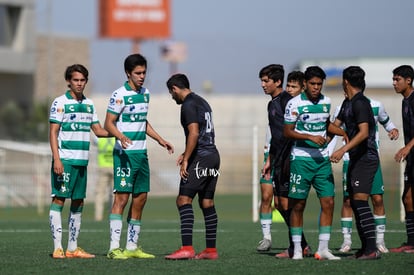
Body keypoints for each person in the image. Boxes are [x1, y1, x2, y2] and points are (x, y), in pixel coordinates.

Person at [104, 53, 174, 260]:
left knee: (141, 198)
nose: (142, 76)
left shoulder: (145, 94)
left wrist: (159, 139)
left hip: (141, 154)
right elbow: (109, 123)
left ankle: (132, 247)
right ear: (128, 73)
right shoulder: (118, 95)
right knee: (122, 198)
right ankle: (114, 248)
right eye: (138, 73)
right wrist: (120, 136)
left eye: (144, 72)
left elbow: (143, 122)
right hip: (124, 154)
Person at [48, 64, 112, 259]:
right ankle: (58, 247)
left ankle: (73, 247)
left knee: (78, 202)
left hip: (82, 163)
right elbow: (53, 132)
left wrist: (120, 132)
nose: (79, 83)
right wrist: (57, 159)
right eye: (75, 80)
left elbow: (99, 131)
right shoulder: (60, 103)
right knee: (59, 199)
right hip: (65, 161)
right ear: (69, 81)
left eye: (82, 80)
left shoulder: (89, 104)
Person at [284, 65, 346, 260]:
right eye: (312, 83)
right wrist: (309, 137)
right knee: (298, 205)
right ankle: (296, 249)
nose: (316, 87)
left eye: (319, 84)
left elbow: (326, 125)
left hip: (321, 161)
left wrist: (343, 133)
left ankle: (323, 249)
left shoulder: (326, 102)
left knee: (328, 201)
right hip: (301, 160)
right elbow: (287, 131)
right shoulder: (294, 104)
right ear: (305, 84)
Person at [330, 99, 398, 254]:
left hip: (371, 159)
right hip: (350, 160)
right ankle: (347, 241)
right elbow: (334, 129)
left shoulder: (376, 105)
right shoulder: (342, 107)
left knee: (377, 199)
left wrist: (392, 129)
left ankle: (380, 241)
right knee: (348, 201)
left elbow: (386, 122)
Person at [164, 73, 220, 260]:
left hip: (201, 157)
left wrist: (187, 158)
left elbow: (194, 133)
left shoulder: (187, 104)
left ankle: (187, 248)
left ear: (175, 89)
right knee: (206, 202)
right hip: (212, 156)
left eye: (171, 94)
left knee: (183, 200)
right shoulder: (202, 101)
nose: (172, 98)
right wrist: (186, 152)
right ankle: (210, 250)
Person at [259, 67, 311, 258]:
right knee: (280, 204)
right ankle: (301, 245)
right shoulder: (271, 104)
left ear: (277, 82)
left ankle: (297, 246)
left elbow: (295, 128)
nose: (263, 85)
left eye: (266, 81)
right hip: (278, 158)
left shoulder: (287, 101)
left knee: (288, 203)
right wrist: (270, 160)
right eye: (262, 81)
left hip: (291, 157)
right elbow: (276, 135)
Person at [331, 66, 381, 260]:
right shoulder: (347, 102)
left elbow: (364, 132)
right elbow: (335, 126)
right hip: (355, 158)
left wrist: (343, 149)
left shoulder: (360, 103)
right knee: (354, 201)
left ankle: (372, 249)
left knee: (360, 201)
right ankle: (365, 248)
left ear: (345, 81)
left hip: (366, 157)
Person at [390, 65, 414, 253]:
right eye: (393, 79)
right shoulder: (405, 101)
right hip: (412, 158)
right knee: (407, 198)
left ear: (408, 80)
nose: (394, 83)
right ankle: (411, 242)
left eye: (397, 79)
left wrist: (407, 147)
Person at [94, 137, 115, 221]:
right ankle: (114, 214)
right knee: (115, 194)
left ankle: (98, 216)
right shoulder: (116, 138)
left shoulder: (99, 138)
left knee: (100, 194)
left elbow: (94, 140)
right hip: (114, 166)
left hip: (103, 167)